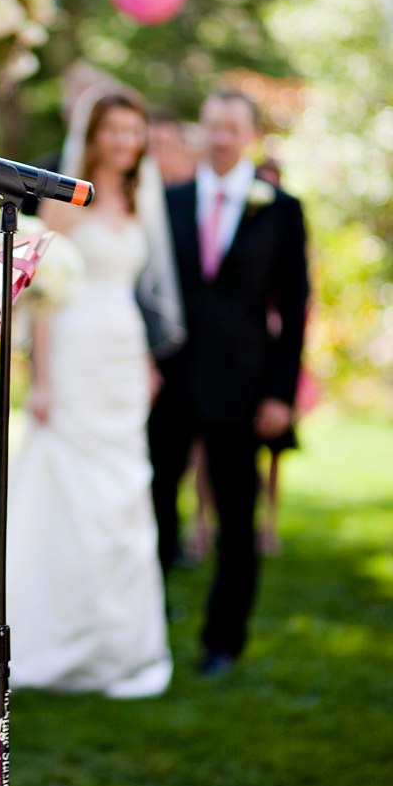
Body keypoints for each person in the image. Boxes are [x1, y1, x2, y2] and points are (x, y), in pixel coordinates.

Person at [0, 90, 178, 697]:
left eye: (135, 132)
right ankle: (47, 626)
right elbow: (47, 299)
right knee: (65, 477)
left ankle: (119, 639)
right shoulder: (68, 204)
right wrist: (42, 380)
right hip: (73, 350)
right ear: (95, 137)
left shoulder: (137, 199)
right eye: (115, 131)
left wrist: (148, 361)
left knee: (126, 488)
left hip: (123, 352)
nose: (126, 143)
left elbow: (139, 290)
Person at [148, 89, 309, 675]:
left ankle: (223, 642)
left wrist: (280, 395)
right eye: (212, 125)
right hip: (172, 383)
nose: (220, 137)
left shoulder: (282, 209)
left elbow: (294, 311)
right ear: (201, 131)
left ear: (250, 134)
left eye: (232, 127)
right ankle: (148, 629)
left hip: (245, 389)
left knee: (238, 522)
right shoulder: (169, 200)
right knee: (158, 504)